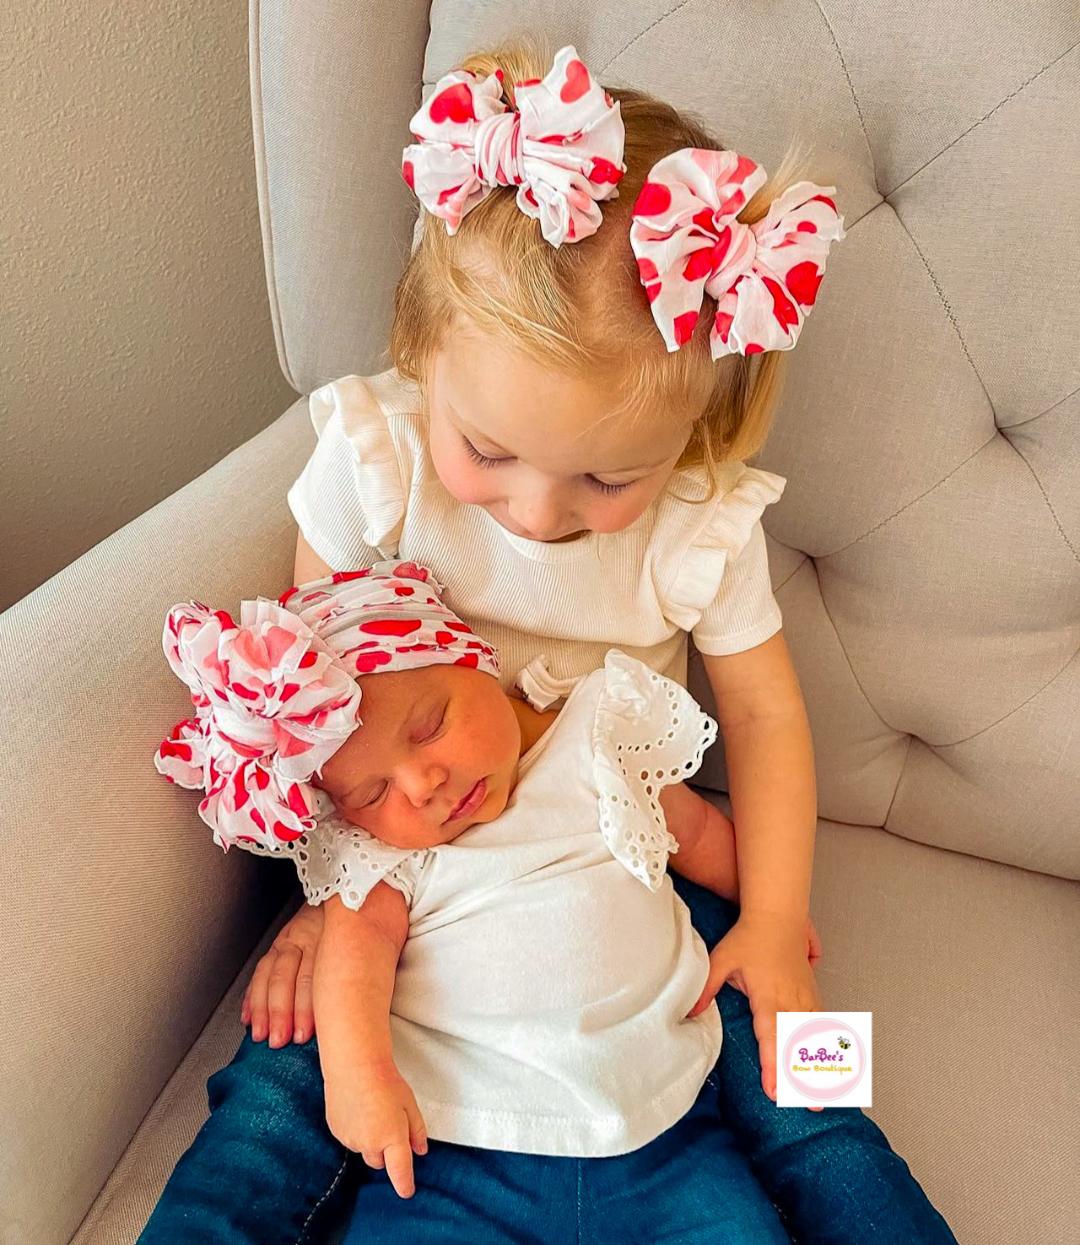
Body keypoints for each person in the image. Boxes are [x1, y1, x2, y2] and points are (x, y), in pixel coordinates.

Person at [140, 37, 957, 1244]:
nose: (535, 513)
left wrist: (776, 924)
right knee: (278, 1082)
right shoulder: (375, 458)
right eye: (489, 452)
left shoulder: (698, 530)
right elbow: (324, 709)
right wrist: (328, 905)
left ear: (692, 432)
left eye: (608, 475)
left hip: (636, 850)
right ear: (425, 361)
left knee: (818, 1096)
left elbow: (770, 722)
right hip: (408, 854)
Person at [151, 559, 813, 1243]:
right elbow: (353, 960)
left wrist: (774, 910)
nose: (423, 783)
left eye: (430, 724)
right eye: (374, 793)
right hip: (462, 1150)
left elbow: (698, 829)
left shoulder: (596, 738)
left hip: (669, 1138)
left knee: (783, 1169)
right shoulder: (381, 849)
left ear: (477, 662)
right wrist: (360, 1078)